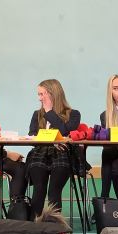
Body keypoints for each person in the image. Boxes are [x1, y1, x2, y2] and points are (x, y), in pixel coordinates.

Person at [27, 79, 80, 216]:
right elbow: (32, 135)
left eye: (42, 94)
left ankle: (55, 224)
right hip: (40, 152)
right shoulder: (37, 114)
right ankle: (34, 223)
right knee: (39, 188)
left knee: (54, 190)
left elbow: (65, 131)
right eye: (39, 94)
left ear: (53, 93)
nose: (40, 98)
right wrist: (53, 141)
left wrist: (50, 112)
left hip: (63, 153)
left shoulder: (73, 114)